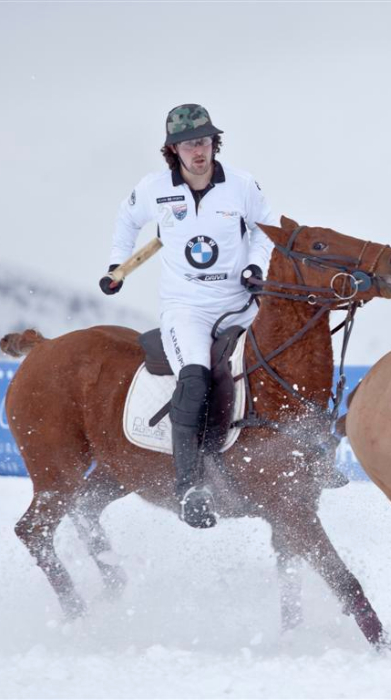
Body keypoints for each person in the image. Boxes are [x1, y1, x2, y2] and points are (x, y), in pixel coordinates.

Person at [99, 103, 277, 529]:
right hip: (187, 309)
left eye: (203, 141)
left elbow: (266, 228)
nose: (198, 151)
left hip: (240, 303)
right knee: (194, 376)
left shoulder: (241, 184)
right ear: (172, 150)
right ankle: (190, 485)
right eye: (187, 144)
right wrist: (115, 265)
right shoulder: (154, 188)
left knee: (278, 360)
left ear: (214, 143)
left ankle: (312, 454)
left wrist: (258, 266)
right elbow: (127, 220)